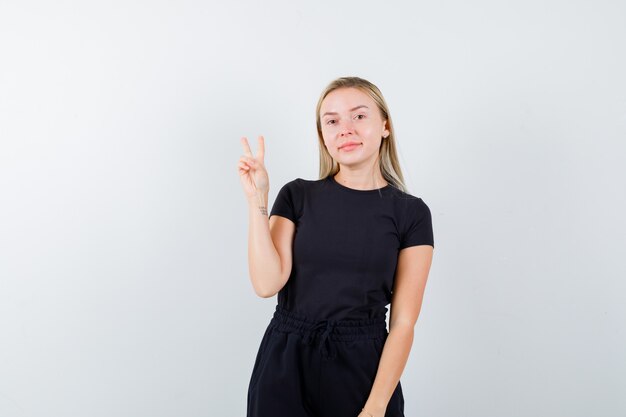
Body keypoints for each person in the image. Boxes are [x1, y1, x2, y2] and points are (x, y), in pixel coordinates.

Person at [237, 76, 434, 417]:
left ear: (385, 126)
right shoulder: (297, 196)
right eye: (332, 121)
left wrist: (375, 408)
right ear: (322, 135)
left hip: (362, 368)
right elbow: (266, 284)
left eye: (359, 116)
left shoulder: (411, 213)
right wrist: (258, 202)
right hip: (286, 363)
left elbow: (403, 322)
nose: (345, 129)